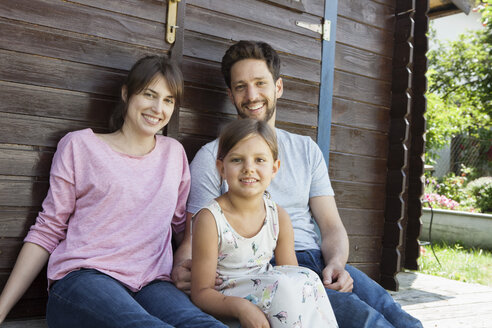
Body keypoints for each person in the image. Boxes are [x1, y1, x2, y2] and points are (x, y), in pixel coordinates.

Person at [182, 41, 423, 327]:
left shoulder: (305, 149)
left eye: (260, 83)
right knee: (365, 317)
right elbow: (194, 237)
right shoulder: (214, 157)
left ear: (278, 87)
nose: (252, 95)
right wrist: (184, 270)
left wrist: (337, 263)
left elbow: (331, 226)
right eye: (240, 86)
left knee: (388, 307)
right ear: (230, 94)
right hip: (263, 269)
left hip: (314, 261)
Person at [0, 55, 226, 328]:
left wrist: (186, 266)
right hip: (84, 279)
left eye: (168, 100)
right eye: (149, 94)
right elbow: (48, 229)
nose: (158, 108)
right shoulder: (80, 146)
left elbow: (183, 228)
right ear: (126, 93)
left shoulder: (174, 154)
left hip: (152, 284)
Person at [190, 119, 338, 328]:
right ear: (221, 168)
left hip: (272, 298)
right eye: (237, 160)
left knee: (308, 277)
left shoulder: (278, 217)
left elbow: (292, 276)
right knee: (284, 288)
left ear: (274, 168)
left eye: (259, 160)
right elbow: (201, 293)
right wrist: (241, 308)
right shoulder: (210, 219)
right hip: (228, 305)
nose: (249, 168)